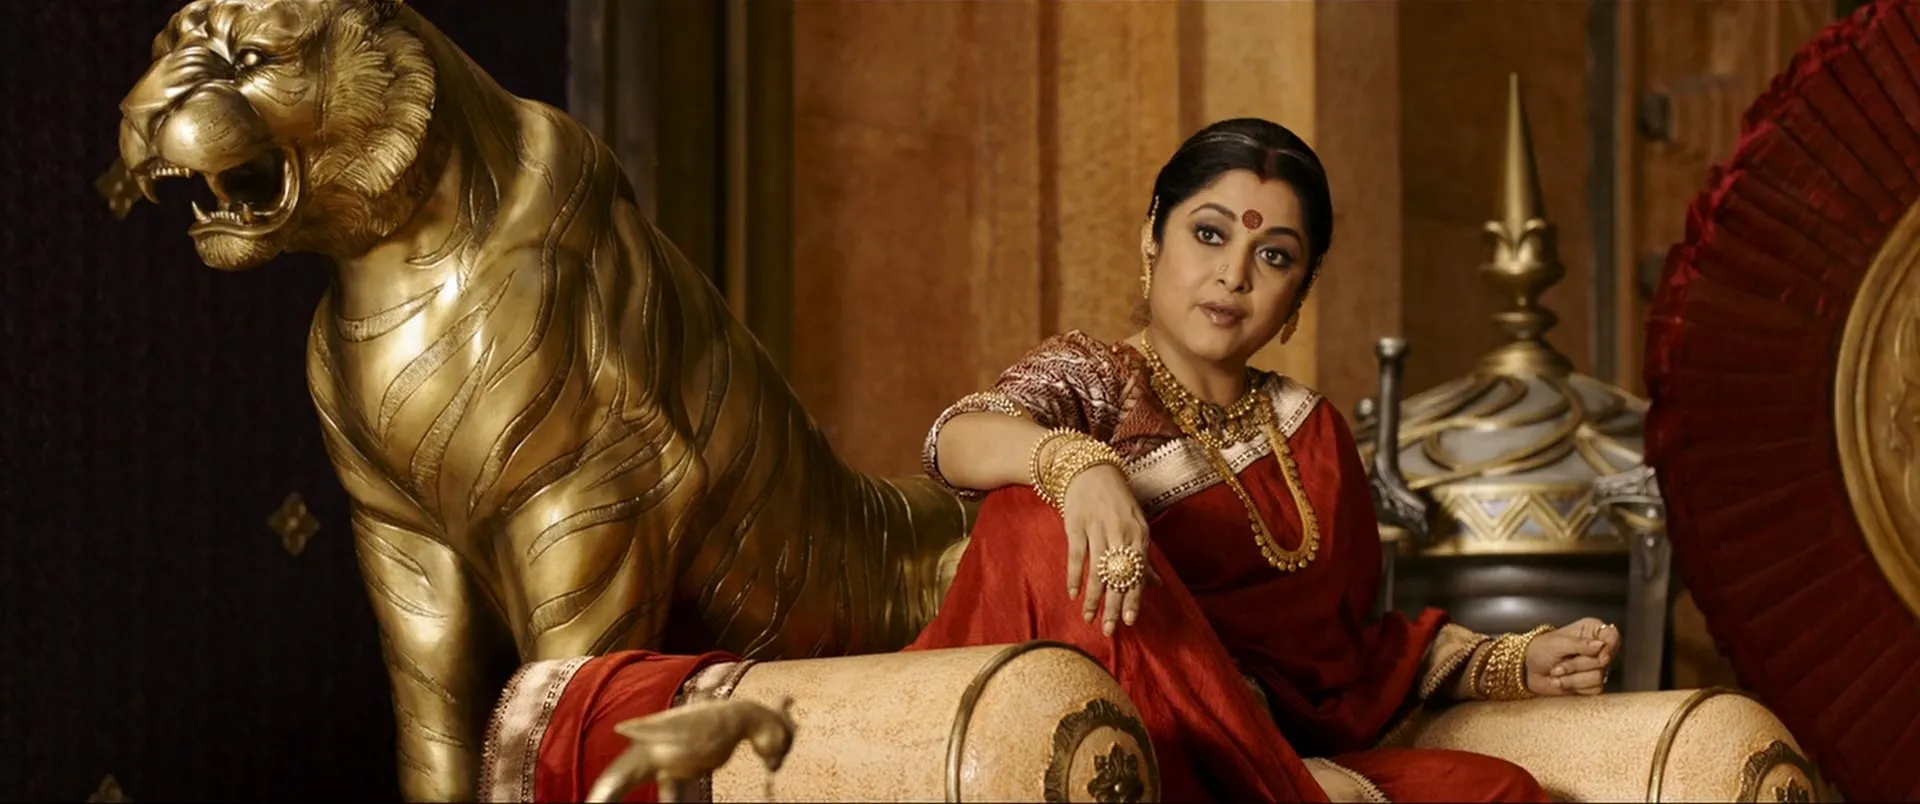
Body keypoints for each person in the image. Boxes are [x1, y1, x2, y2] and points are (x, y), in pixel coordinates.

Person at [908, 117, 1621, 803]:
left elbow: (1348, 656)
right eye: (1209, 234)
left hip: (1269, 751)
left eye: (1274, 255)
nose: (1234, 275)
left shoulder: (1312, 435)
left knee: (1498, 789)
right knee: (1030, 516)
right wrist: (1080, 466)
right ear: (1152, 237)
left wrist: (1508, 663)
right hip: (1127, 741)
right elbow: (957, 438)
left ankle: (1275, 783)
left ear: (1300, 290)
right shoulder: (1094, 377)